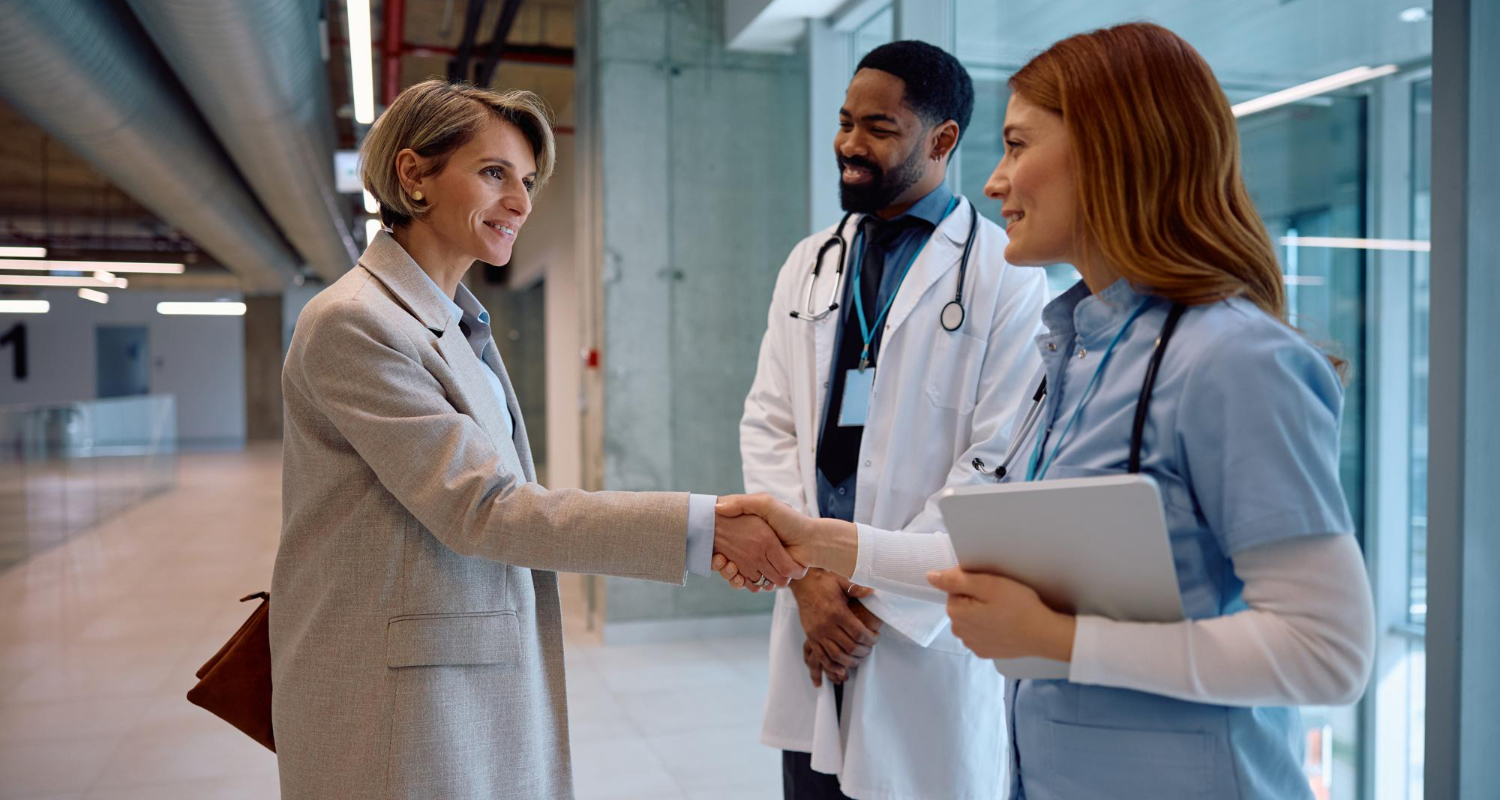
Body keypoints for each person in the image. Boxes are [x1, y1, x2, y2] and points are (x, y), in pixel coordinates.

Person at [717, 22, 1377, 800]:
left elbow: (1329, 652)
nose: (994, 183)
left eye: (1018, 146)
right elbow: (988, 543)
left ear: (1111, 151)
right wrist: (818, 546)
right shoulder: (1078, 352)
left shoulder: (1234, 361)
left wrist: (1055, 640)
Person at [270, 80, 803, 800]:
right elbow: (484, 508)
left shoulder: (454, 323)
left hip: (450, 672)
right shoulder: (357, 323)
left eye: (525, 181)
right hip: (397, 697)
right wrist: (701, 526)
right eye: (494, 174)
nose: (521, 203)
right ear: (414, 174)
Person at [734, 40, 1047, 800]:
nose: (849, 144)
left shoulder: (1010, 275)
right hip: (814, 622)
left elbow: (995, 463)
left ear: (942, 141)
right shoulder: (810, 262)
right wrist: (808, 584)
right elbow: (769, 424)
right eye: (845, 122)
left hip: (917, 633)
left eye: (878, 127)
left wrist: (872, 596)